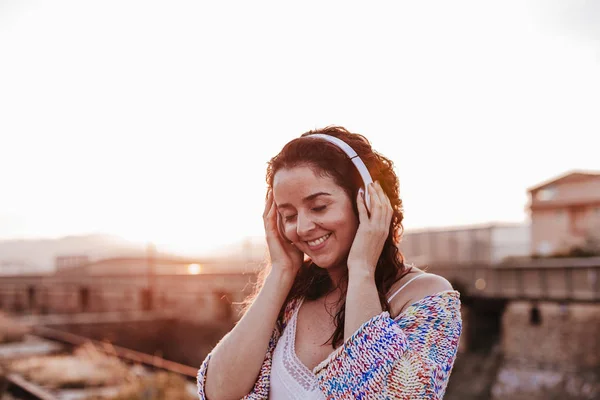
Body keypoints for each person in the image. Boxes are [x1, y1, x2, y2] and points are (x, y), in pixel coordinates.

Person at [197, 126, 462, 400]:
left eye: (319, 207)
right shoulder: (290, 300)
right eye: (288, 215)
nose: (301, 227)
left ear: (370, 201)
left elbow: (375, 396)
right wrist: (280, 272)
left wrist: (361, 270)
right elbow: (218, 393)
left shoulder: (427, 299)